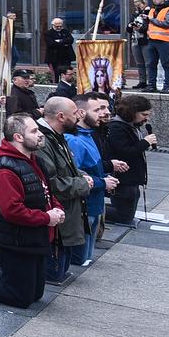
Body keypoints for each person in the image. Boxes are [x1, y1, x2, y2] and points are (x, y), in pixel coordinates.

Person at [0, 113, 64, 309]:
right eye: (34, 131)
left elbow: (46, 192)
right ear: (18, 137)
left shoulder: (33, 160)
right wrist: (46, 218)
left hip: (35, 237)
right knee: (20, 297)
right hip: (16, 241)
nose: (40, 134)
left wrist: (56, 209)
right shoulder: (5, 170)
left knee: (36, 293)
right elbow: (12, 211)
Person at [34, 97, 105, 283]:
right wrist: (85, 184)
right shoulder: (42, 140)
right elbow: (51, 182)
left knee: (62, 269)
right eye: (75, 114)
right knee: (54, 272)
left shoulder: (58, 136)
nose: (79, 116)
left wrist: (82, 175)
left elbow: (67, 166)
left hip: (67, 215)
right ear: (61, 116)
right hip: (57, 218)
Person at [65, 93, 115, 266]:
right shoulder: (74, 140)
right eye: (98, 109)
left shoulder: (88, 135)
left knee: (86, 257)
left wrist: (104, 177)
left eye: (106, 108)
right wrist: (102, 182)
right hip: (85, 205)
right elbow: (73, 175)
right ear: (80, 113)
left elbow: (91, 167)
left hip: (94, 203)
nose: (104, 112)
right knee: (79, 259)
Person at [104, 94, 155, 226]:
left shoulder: (131, 126)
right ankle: (91, 210)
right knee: (123, 215)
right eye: (144, 114)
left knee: (127, 212)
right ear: (132, 112)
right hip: (123, 178)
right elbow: (124, 152)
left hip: (132, 177)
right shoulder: (117, 127)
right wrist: (144, 143)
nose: (146, 118)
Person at [143, 0, 169, 92]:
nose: (154, 0)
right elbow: (149, 25)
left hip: (163, 41)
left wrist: (150, 19)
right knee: (151, 64)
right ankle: (151, 85)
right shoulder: (152, 10)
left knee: (165, 64)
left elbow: (167, 23)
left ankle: (167, 86)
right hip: (152, 40)